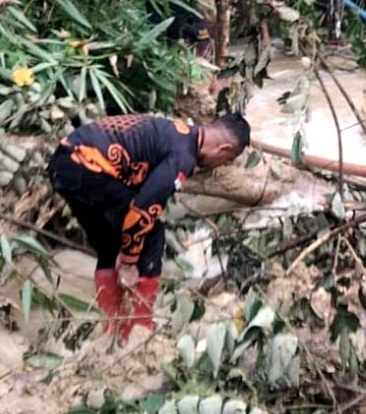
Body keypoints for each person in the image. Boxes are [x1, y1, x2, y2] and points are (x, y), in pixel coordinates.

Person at [48, 112, 251, 340]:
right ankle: (139, 333)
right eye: (226, 159)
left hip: (63, 164)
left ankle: (112, 333)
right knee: (152, 235)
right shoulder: (183, 156)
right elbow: (143, 208)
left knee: (109, 246)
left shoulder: (176, 133)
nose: (219, 164)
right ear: (223, 149)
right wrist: (128, 262)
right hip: (88, 168)